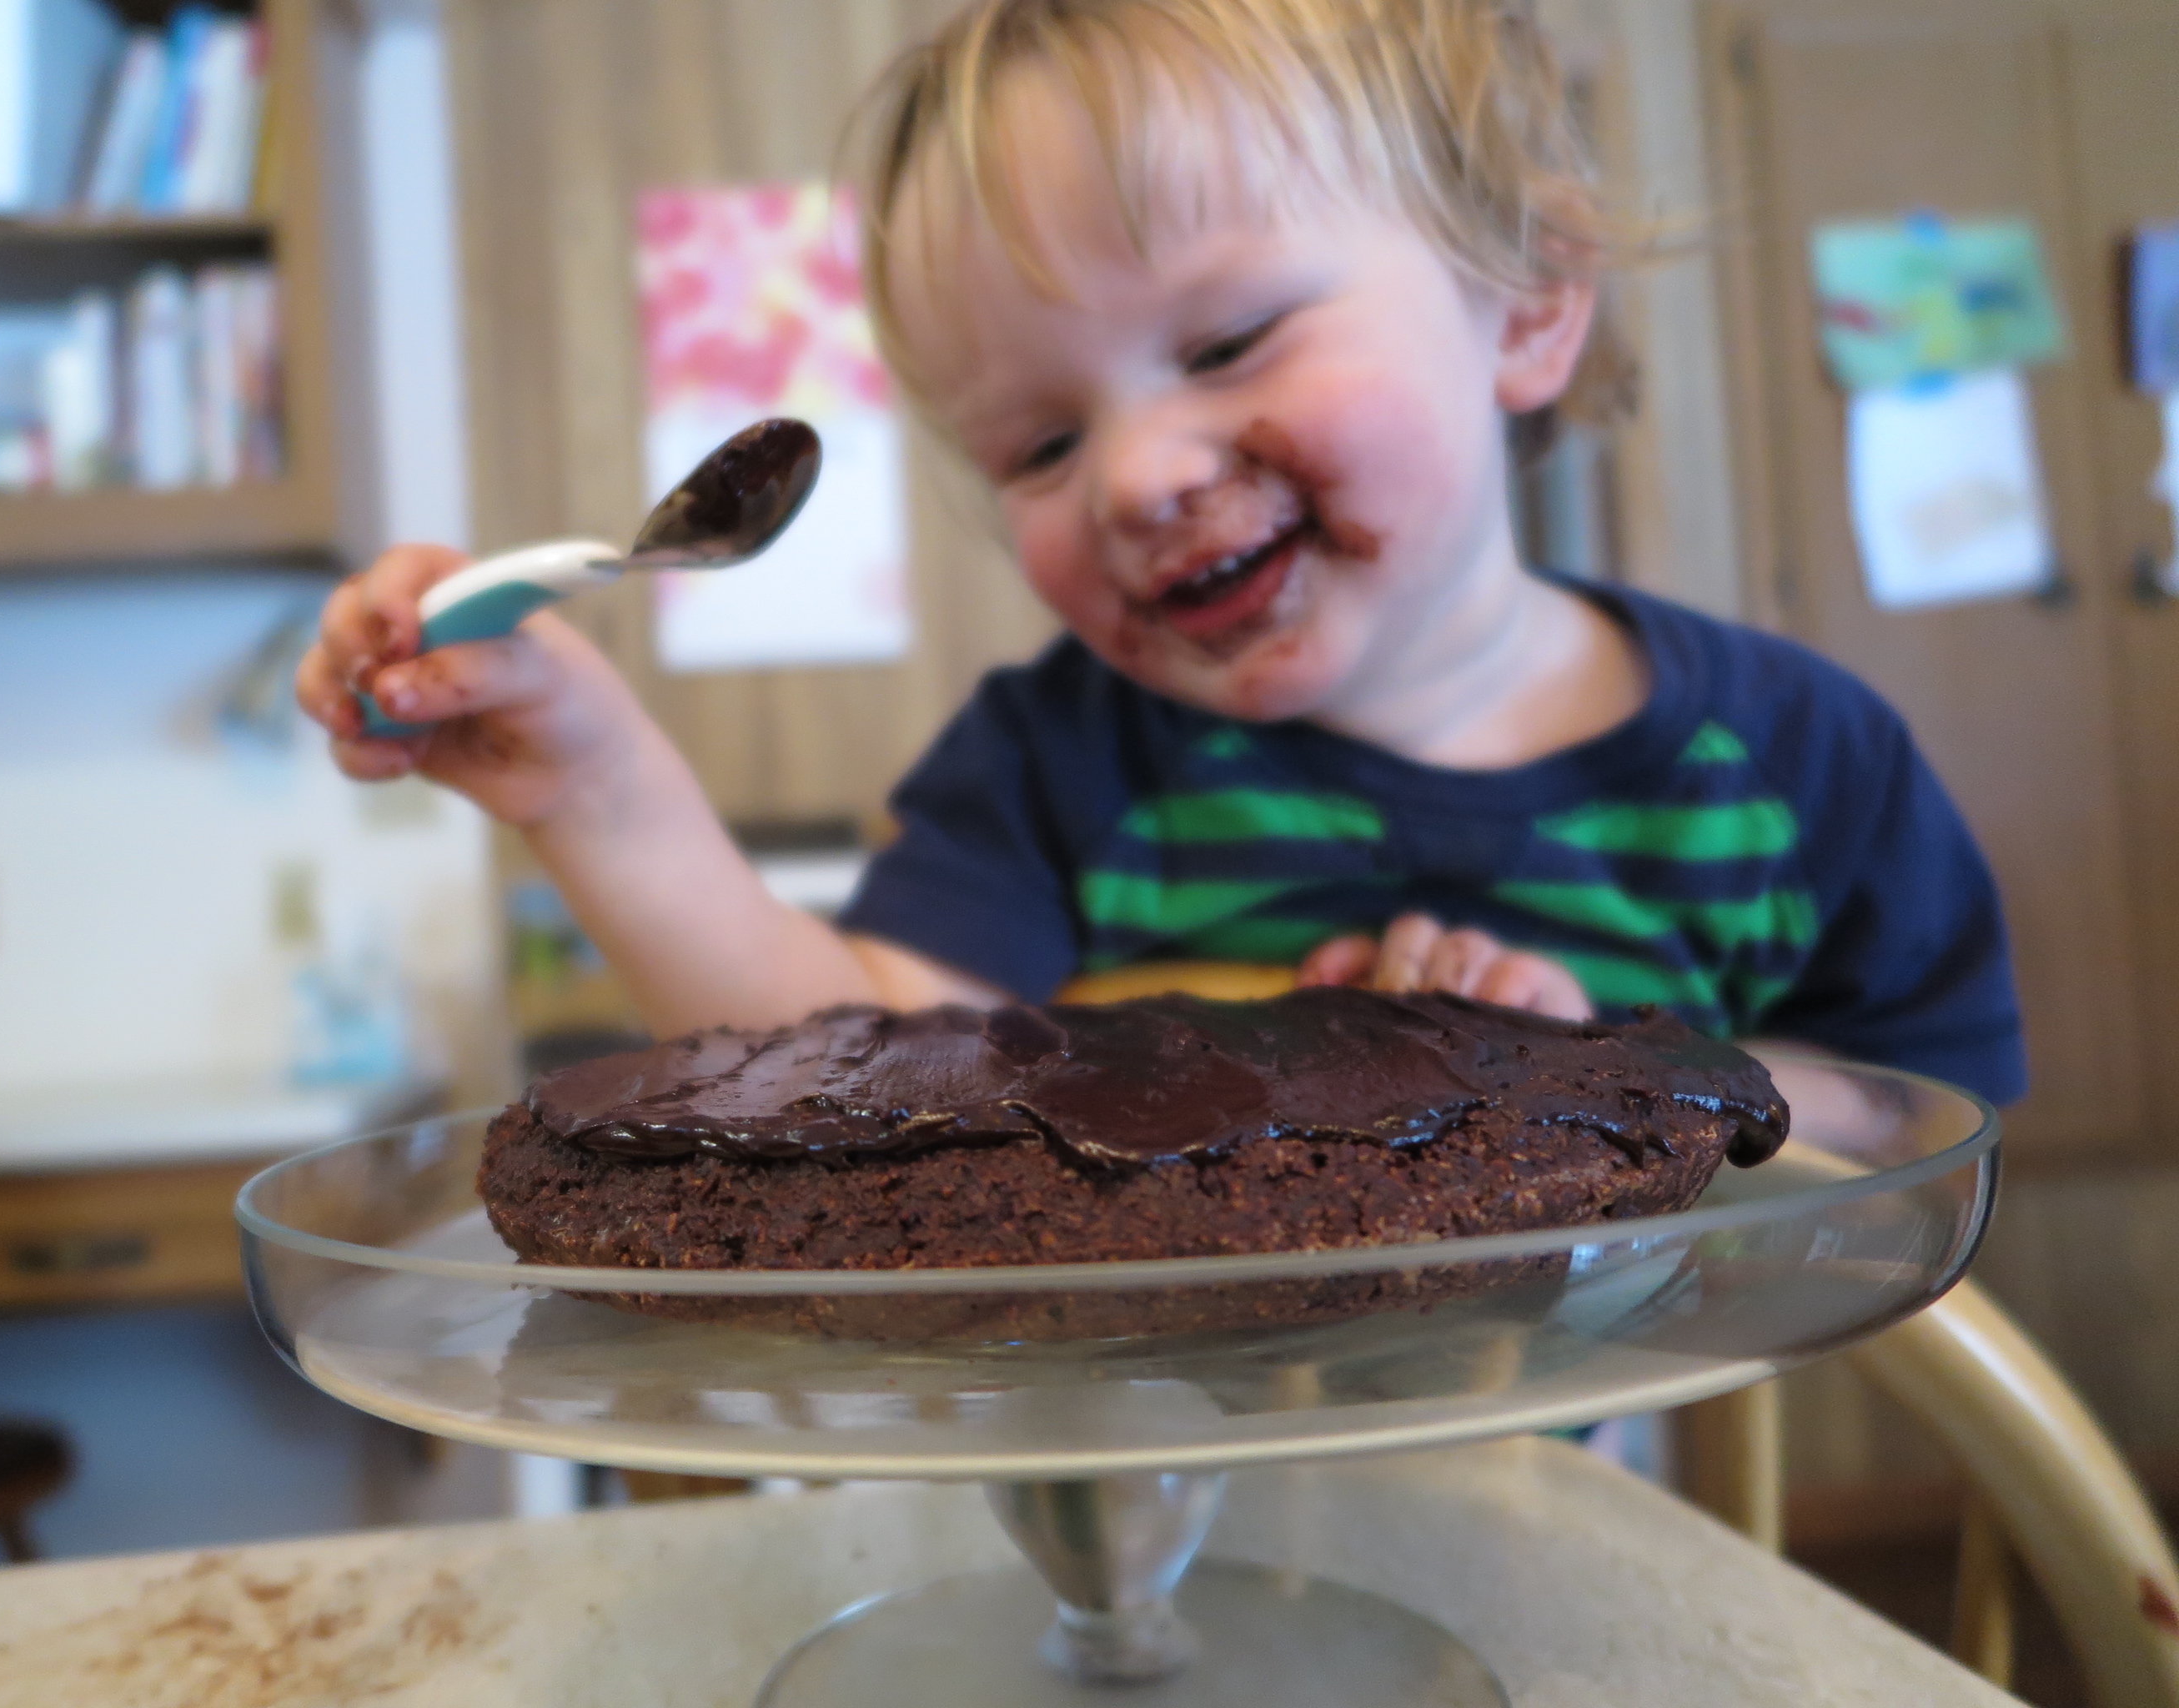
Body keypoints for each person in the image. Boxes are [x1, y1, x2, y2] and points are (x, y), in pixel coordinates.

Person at [294, 0, 2024, 1112]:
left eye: (1227, 343)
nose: (1136, 476)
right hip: (1130, 1520)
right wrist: (597, 788)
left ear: (1528, 297)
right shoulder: (1064, 765)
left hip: (1570, 1530)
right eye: (1039, 443)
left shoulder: (1800, 763)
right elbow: (850, 1063)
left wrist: (1627, 1088)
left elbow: (1930, 1121)